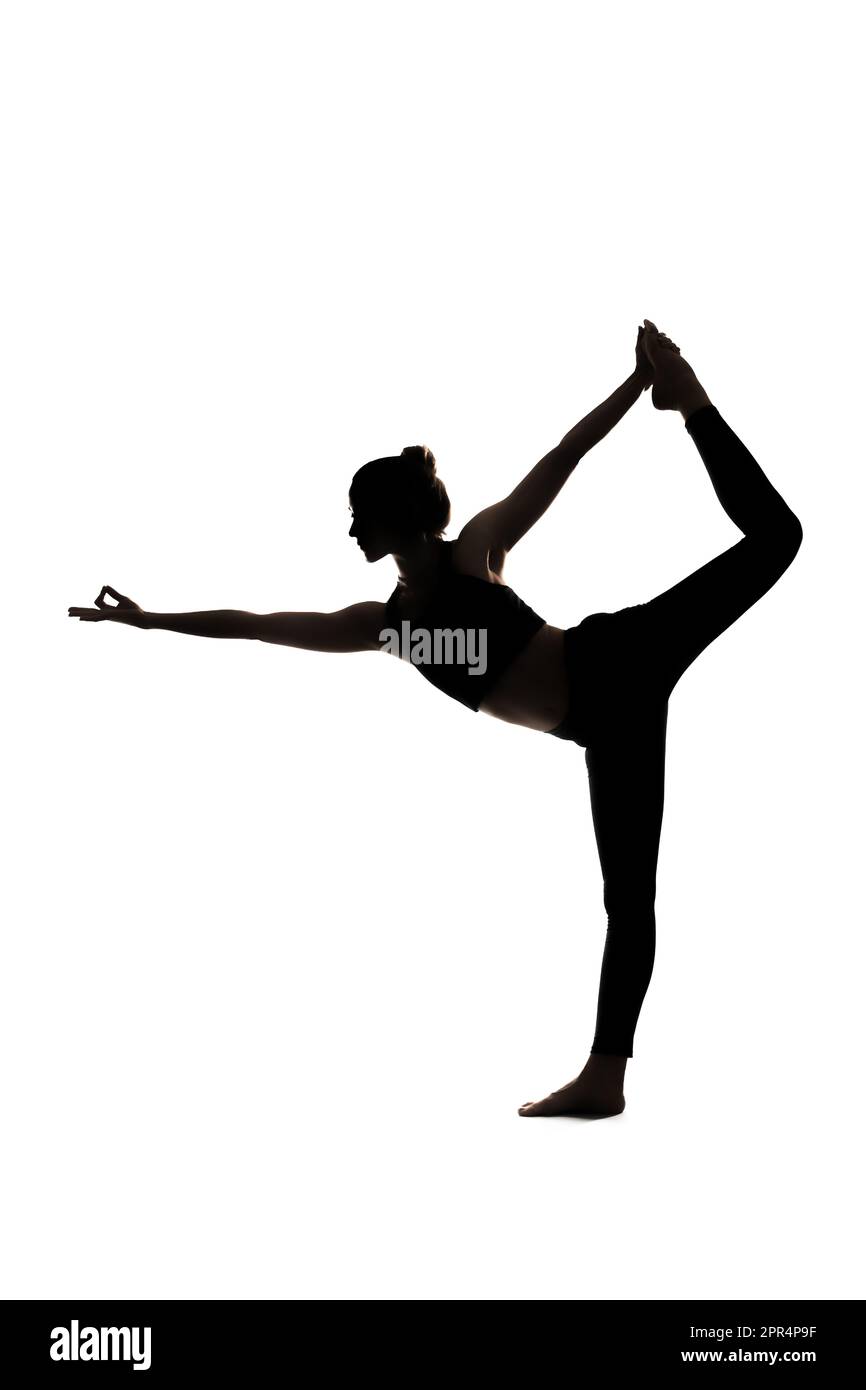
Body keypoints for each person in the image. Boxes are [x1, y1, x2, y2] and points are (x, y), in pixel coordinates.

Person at [68, 321, 803, 1119]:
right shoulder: (386, 626)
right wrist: (150, 622)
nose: (351, 530)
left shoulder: (473, 554)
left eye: (361, 516)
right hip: (604, 728)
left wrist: (636, 386)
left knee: (777, 538)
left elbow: (560, 460)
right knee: (627, 902)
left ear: (396, 519)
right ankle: (605, 1080)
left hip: (616, 660)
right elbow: (257, 622)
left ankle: (688, 401)